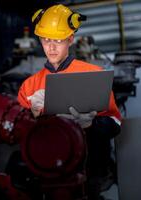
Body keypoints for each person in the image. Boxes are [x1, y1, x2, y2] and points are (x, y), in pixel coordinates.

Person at [17, 4, 122, 200]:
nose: (52, 47)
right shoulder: (29, 87)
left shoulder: (93, 76)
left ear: (70, 39)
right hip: (46, 175)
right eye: (46, 40)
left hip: (89, 176)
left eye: (58, 40)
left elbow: (115, 125)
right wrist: (33, 120)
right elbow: (17, 135)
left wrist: (92, 124)